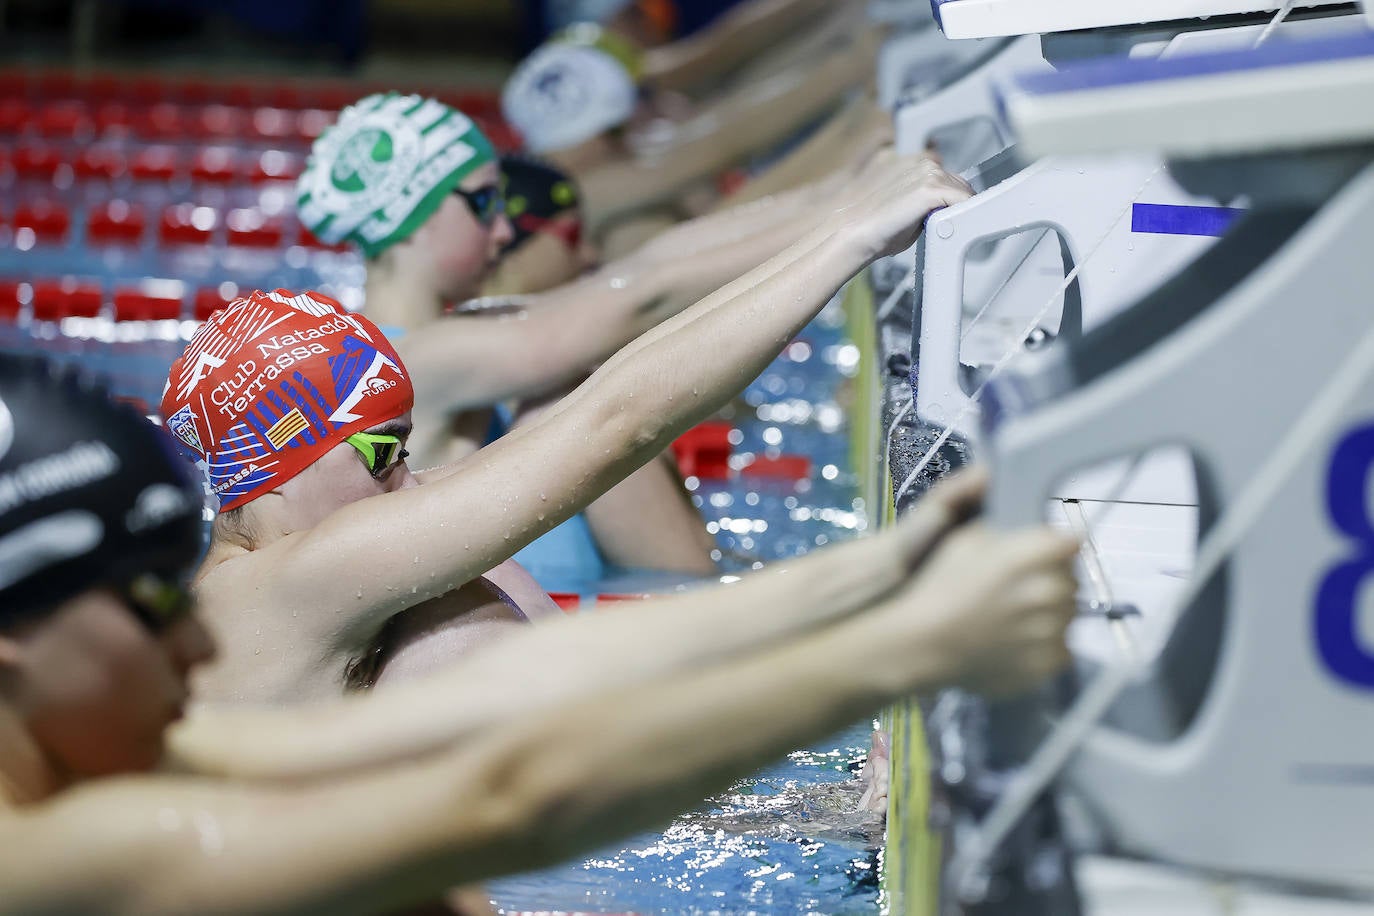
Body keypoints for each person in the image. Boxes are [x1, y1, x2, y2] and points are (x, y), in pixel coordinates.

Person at [1, 356, 1083, 916]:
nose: (196, 651)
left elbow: (507, 702)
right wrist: (910, 650)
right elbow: (502, 796)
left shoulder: (115, 752)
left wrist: (875, 574)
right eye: (154, 610)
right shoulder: (44, 860)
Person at [186, 148, 978, 702]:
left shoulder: (308, 559)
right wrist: (850, 238)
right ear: (280, 459)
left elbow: (601, 400)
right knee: (449, 638)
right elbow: (614, 424)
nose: (404, 472)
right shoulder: (295, 582)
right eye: (380, 450)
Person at [297, 94, 889, 581]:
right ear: (414, 215)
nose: (503, 230)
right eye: (483, 203)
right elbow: (641, 293)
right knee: (565, 403)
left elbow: (644, 270)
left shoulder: (460, 338)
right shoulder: (402, 361)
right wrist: (852, 225)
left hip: (598, 613)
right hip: (552, 646)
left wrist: (839, 196)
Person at [500, 14, 882, 247]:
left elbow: (731, 99)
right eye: (639, 102)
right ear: (597, 131)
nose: (651, 117)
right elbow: (723, 141)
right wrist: (855, 81)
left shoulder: (573, 172)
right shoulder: (583, 193)